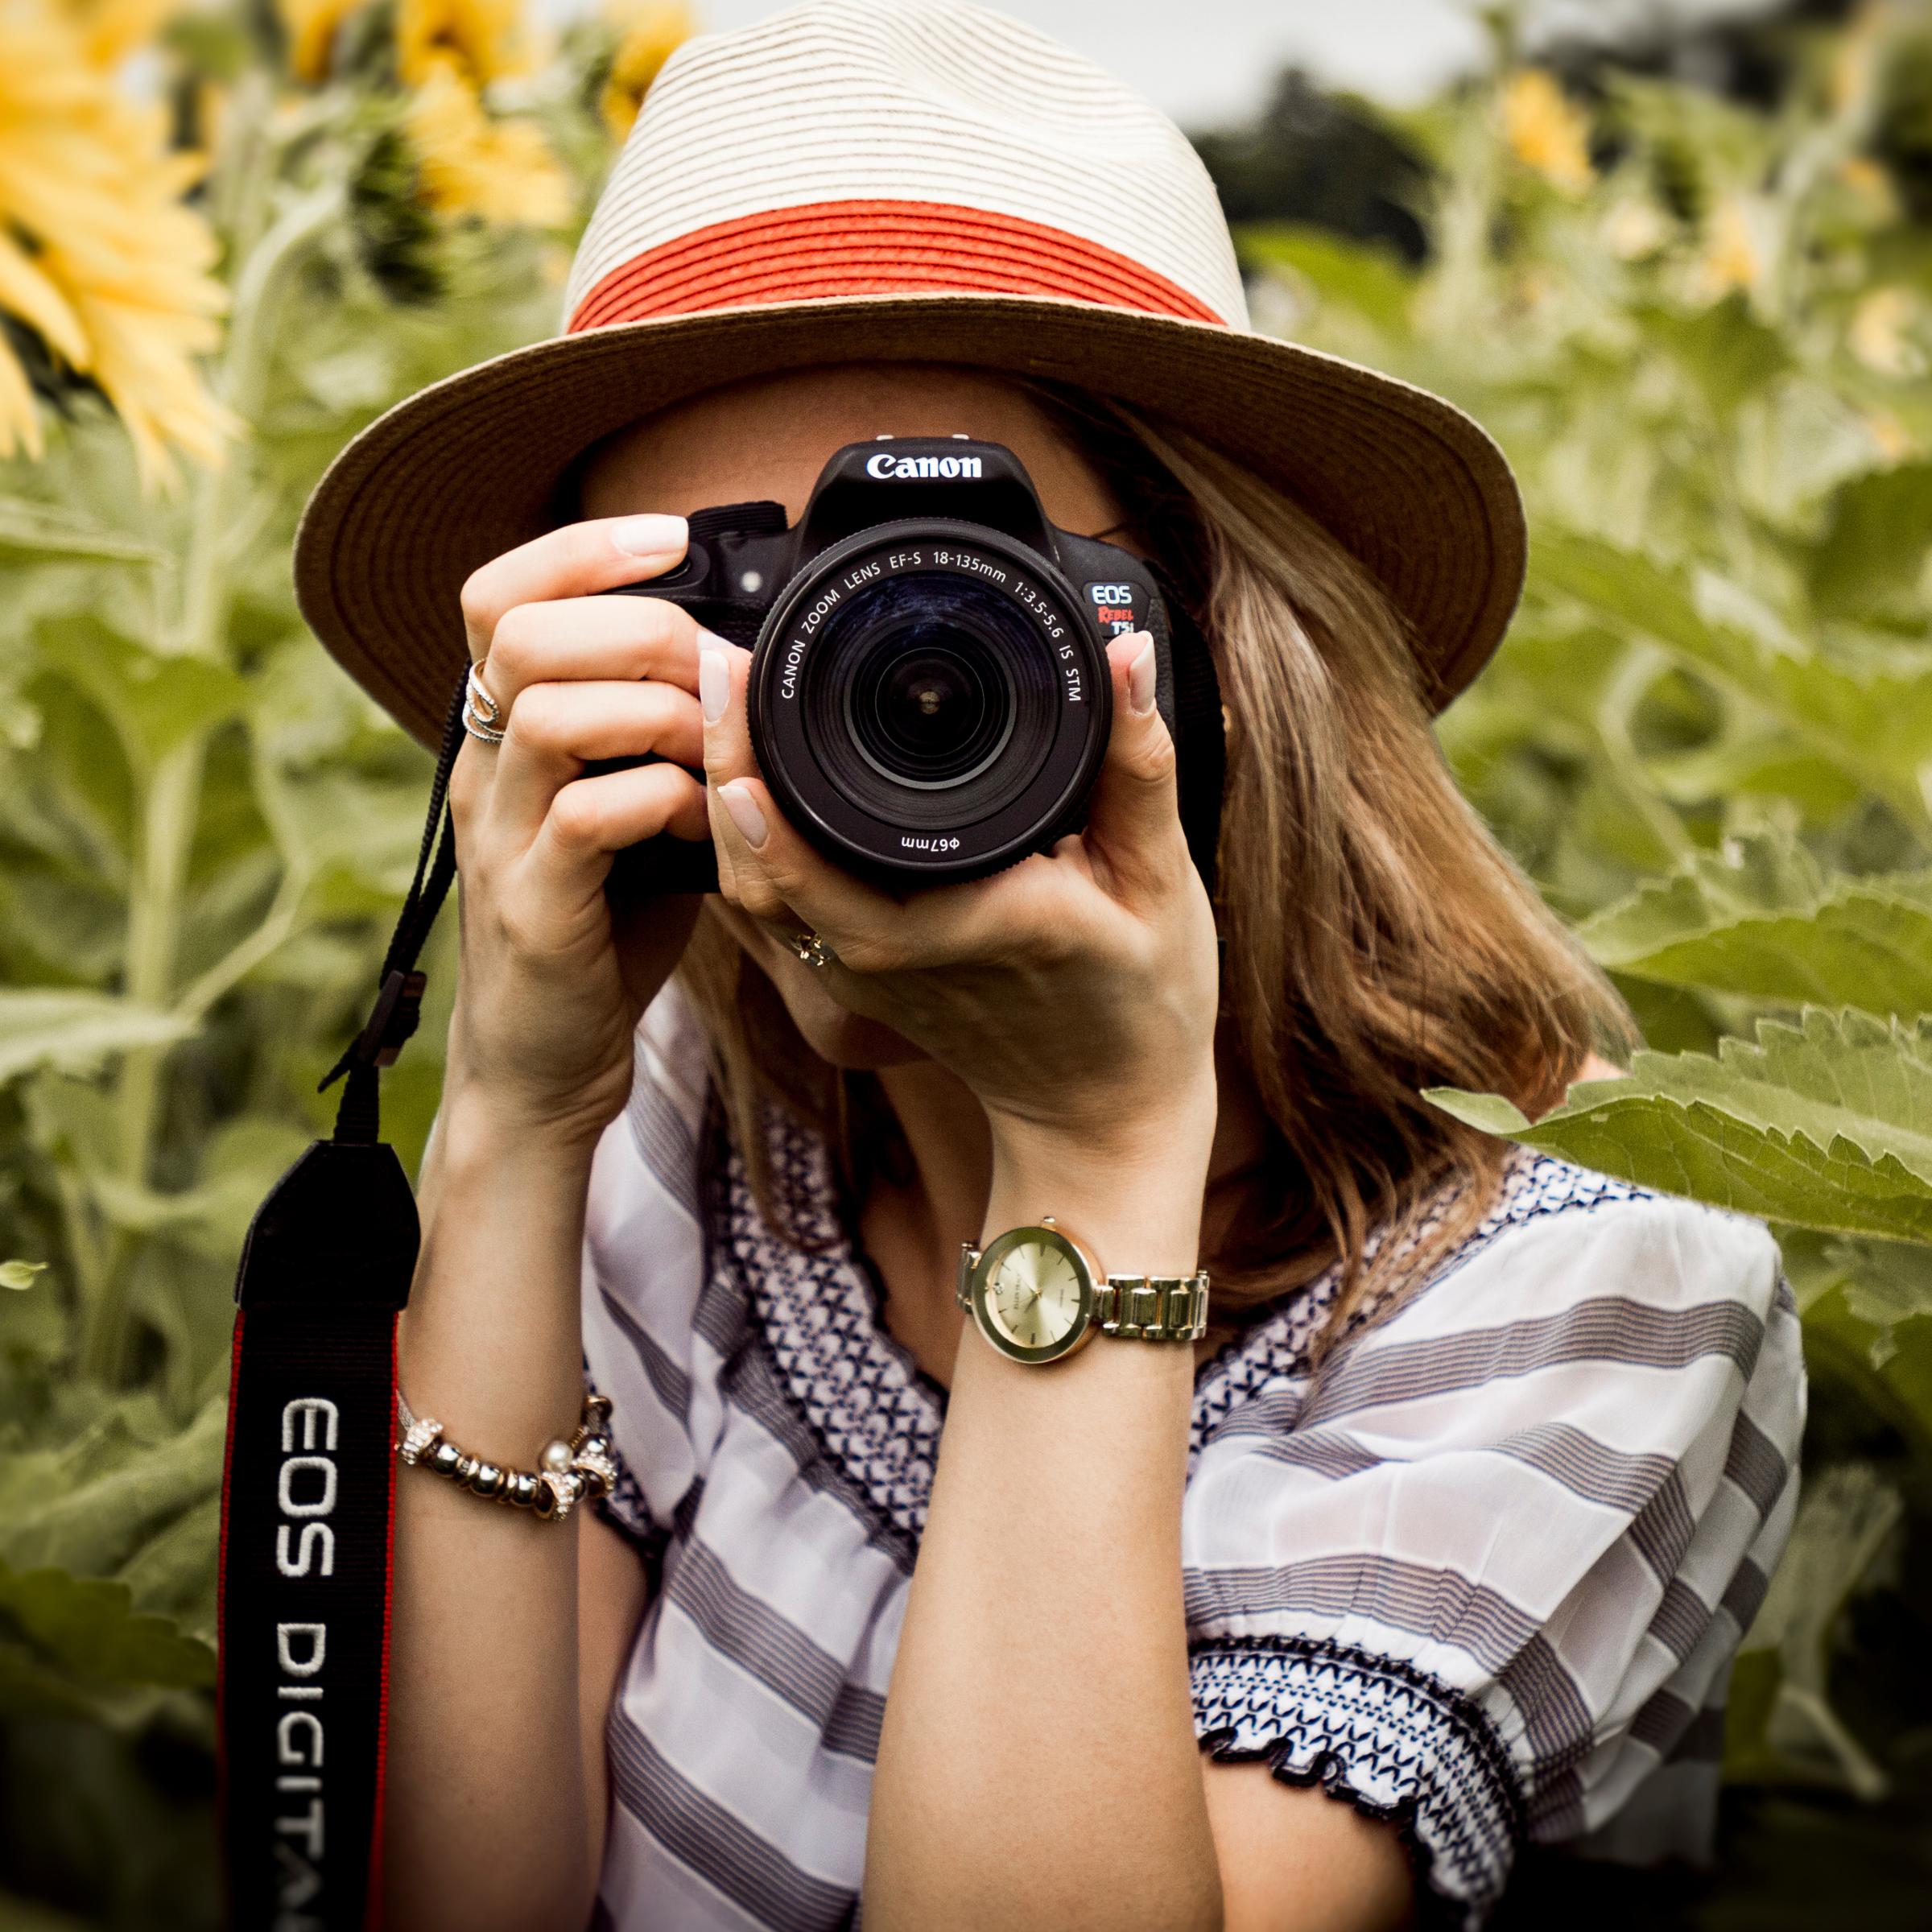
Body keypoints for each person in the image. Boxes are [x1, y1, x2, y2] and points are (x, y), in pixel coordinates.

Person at [293, 3, 1806, 1928]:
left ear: (1225, 651)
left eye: (951, 586)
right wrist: (511, 1119)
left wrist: (1094, 1154)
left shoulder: (1604, 1300)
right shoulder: (690, 1127)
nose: (842, 704)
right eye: (737, 604)